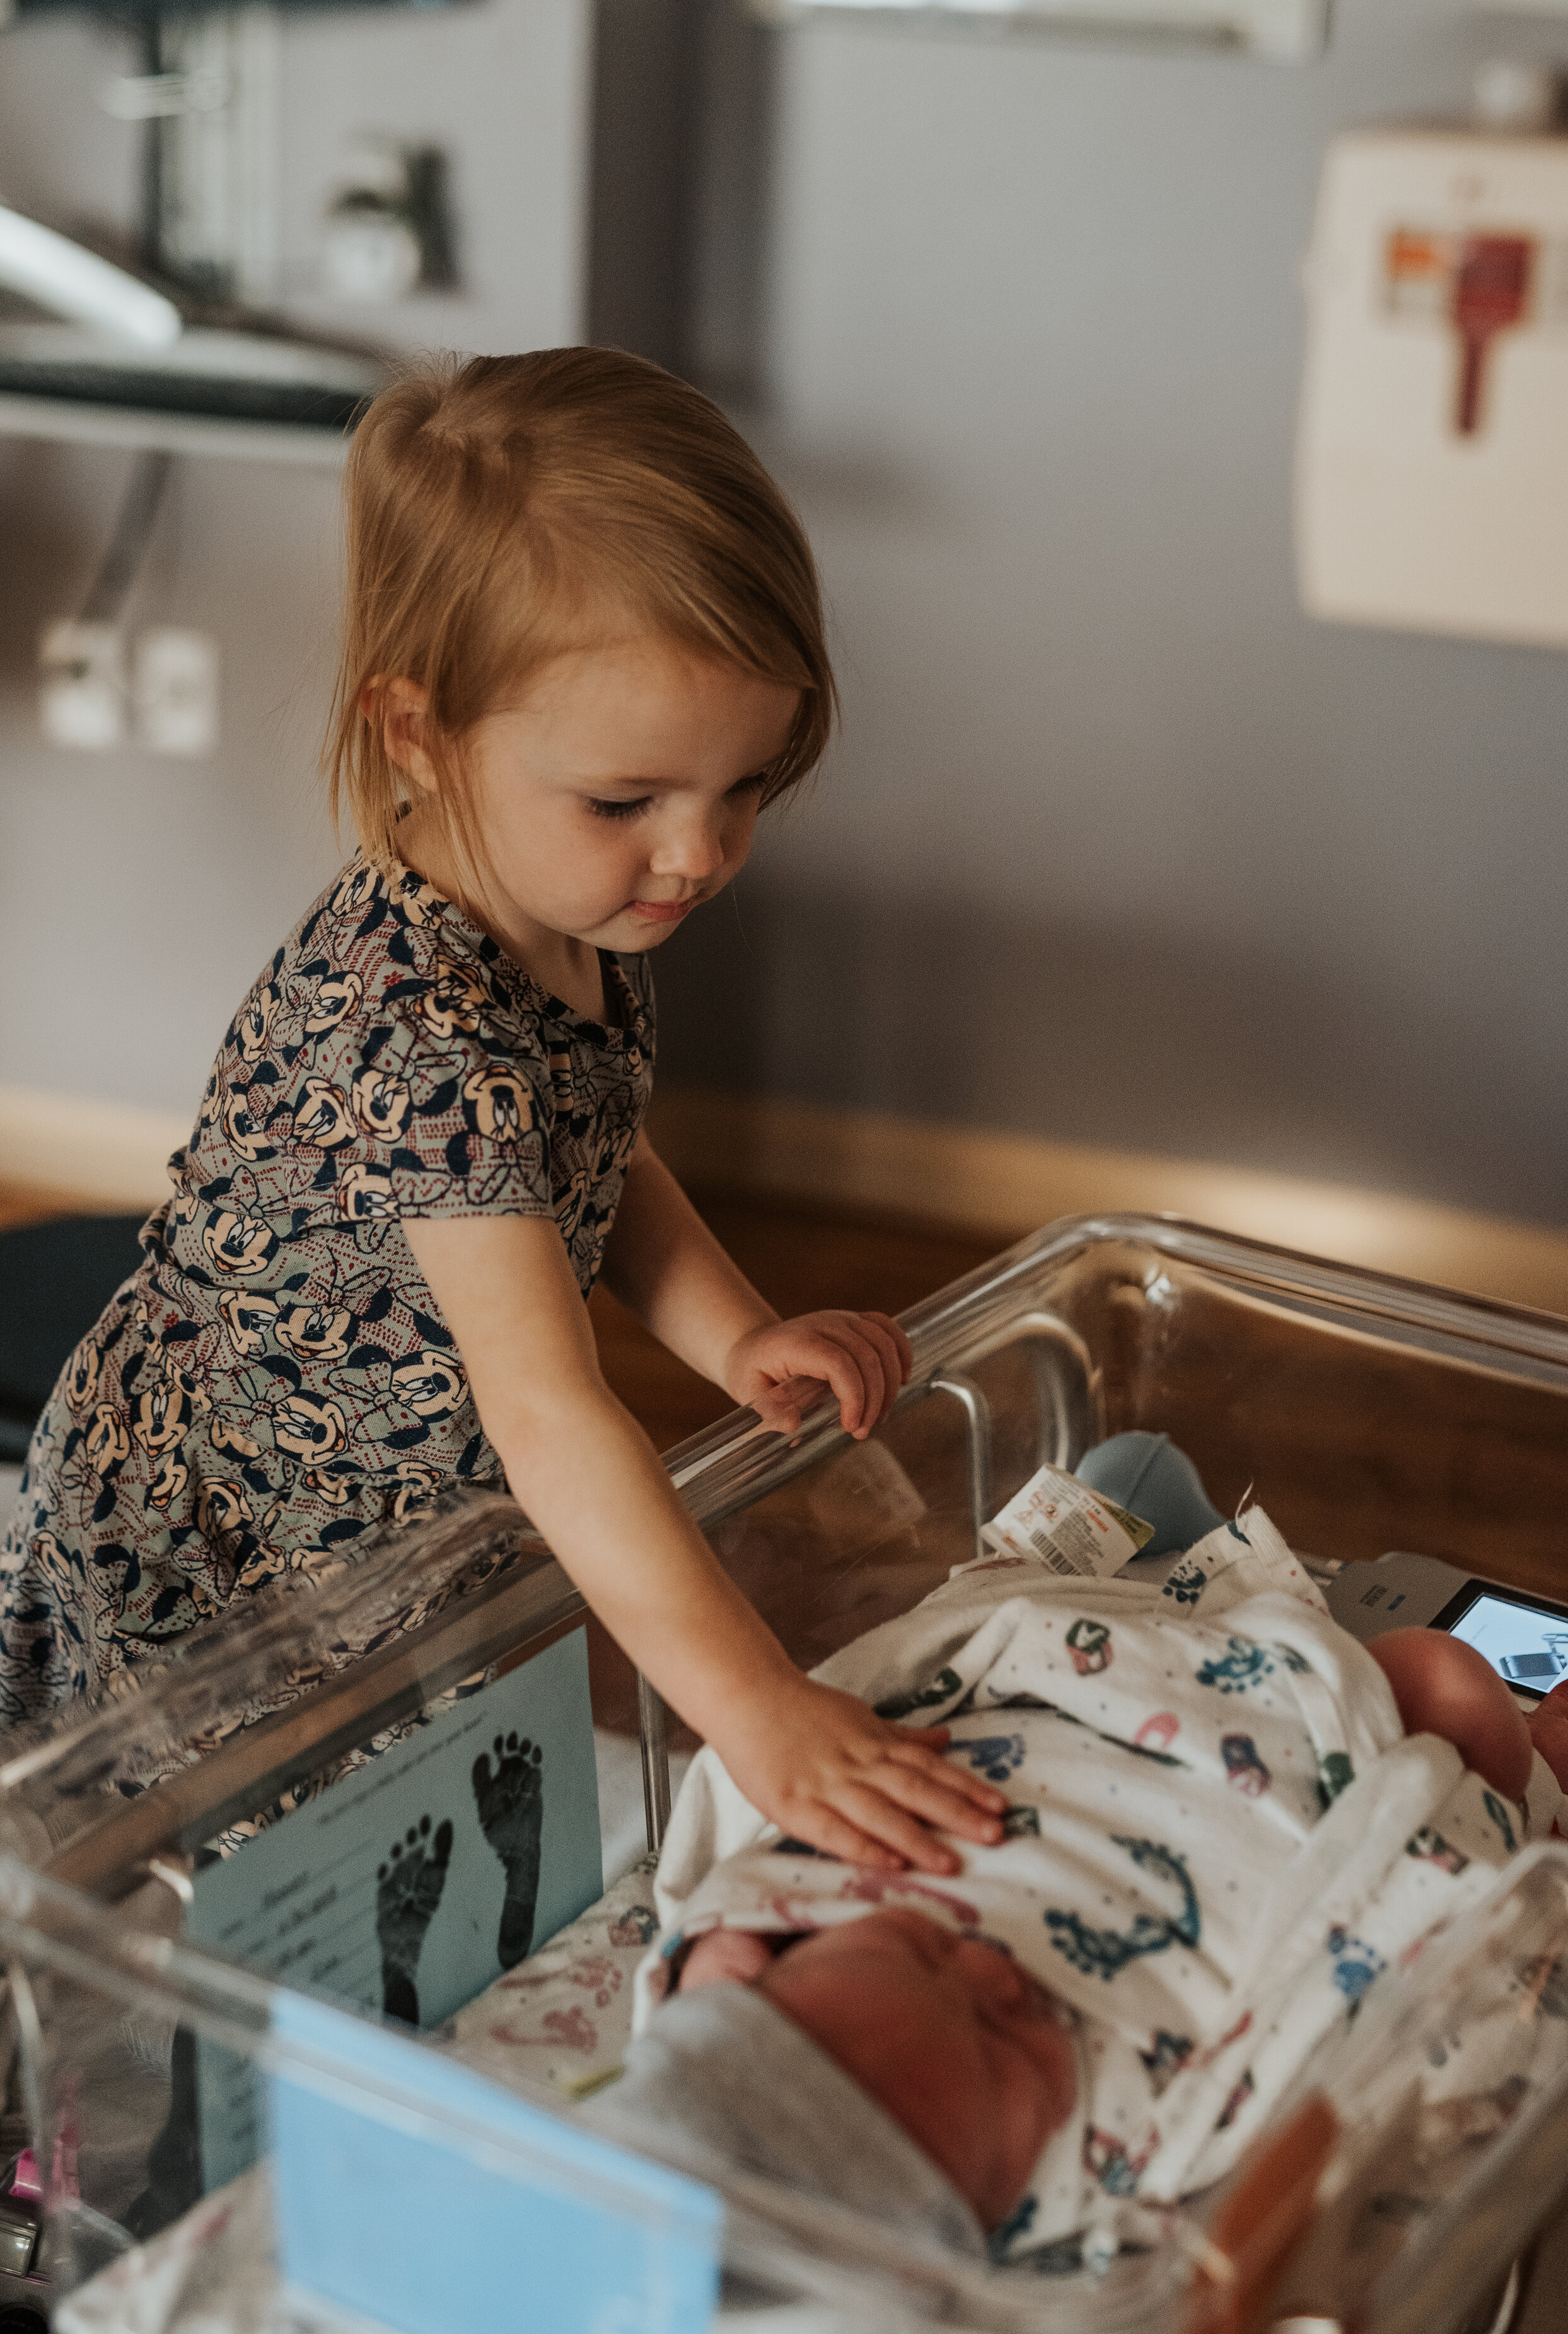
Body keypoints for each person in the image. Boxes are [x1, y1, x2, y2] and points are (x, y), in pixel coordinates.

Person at [0, 349, 1004, 1878]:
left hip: (388, 1504)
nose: (698, 854)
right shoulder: (413, 1031)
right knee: (194, 1870)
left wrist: (734, 1335)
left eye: (745, 786)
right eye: (626, 802)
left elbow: (598, 1156)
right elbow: (550, 1415)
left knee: (374, 1824)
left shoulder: (569, 918)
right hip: (228, 1526)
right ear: (418, 733)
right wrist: (758, 1710)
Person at [608, 1457, 1568, 2273]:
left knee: (1067, 1537)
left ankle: (1137, 1516)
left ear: (756, 1969)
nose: (992, 1969)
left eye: (925, 1948)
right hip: (1289, 1794)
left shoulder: (745, 1947)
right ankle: (1546, 1776)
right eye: (1003, 2039)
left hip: (1076, 1692)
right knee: (1444, 1684)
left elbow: (710, 1924)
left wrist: (714, 1953)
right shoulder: (1123, 2197)